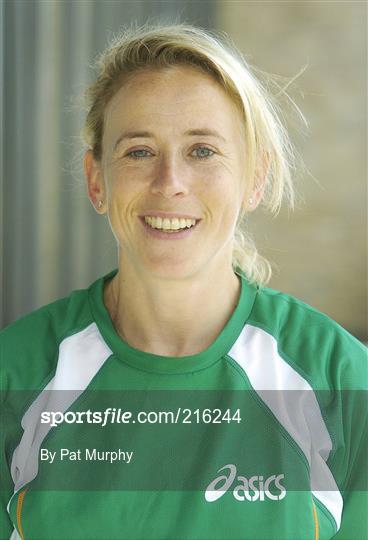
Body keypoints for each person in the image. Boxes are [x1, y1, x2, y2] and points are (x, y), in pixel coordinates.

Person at [1, 23, 367, 540]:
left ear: (255, 176)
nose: (170, 182)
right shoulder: (15, 374)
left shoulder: (343, 379)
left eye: (202, 151)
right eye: (139, 151)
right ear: (96, 180)